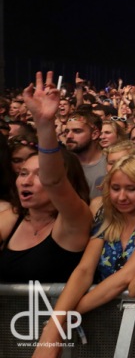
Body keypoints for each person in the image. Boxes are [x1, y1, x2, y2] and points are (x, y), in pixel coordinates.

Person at [35, 153, 135, 355]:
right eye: (115, 188)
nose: (121, 197)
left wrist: (64, 318)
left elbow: (127, 275)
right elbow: (84, 270)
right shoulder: (107, 218)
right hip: (101, 316)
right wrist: (56, 322)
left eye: (131, 189)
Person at [0, 71, 92, 283]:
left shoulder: (74, 221)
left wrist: (44, 124)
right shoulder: (12, 218)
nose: (26, 181)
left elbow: (54, 181)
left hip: (54, 316)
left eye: (38, 175)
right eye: (23, 173)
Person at [64, 109, 107, 199]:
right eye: (67, 131)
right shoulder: (61, 165)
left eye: (77, 131)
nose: (69, 136)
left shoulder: (110, 164)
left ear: (94, 134)